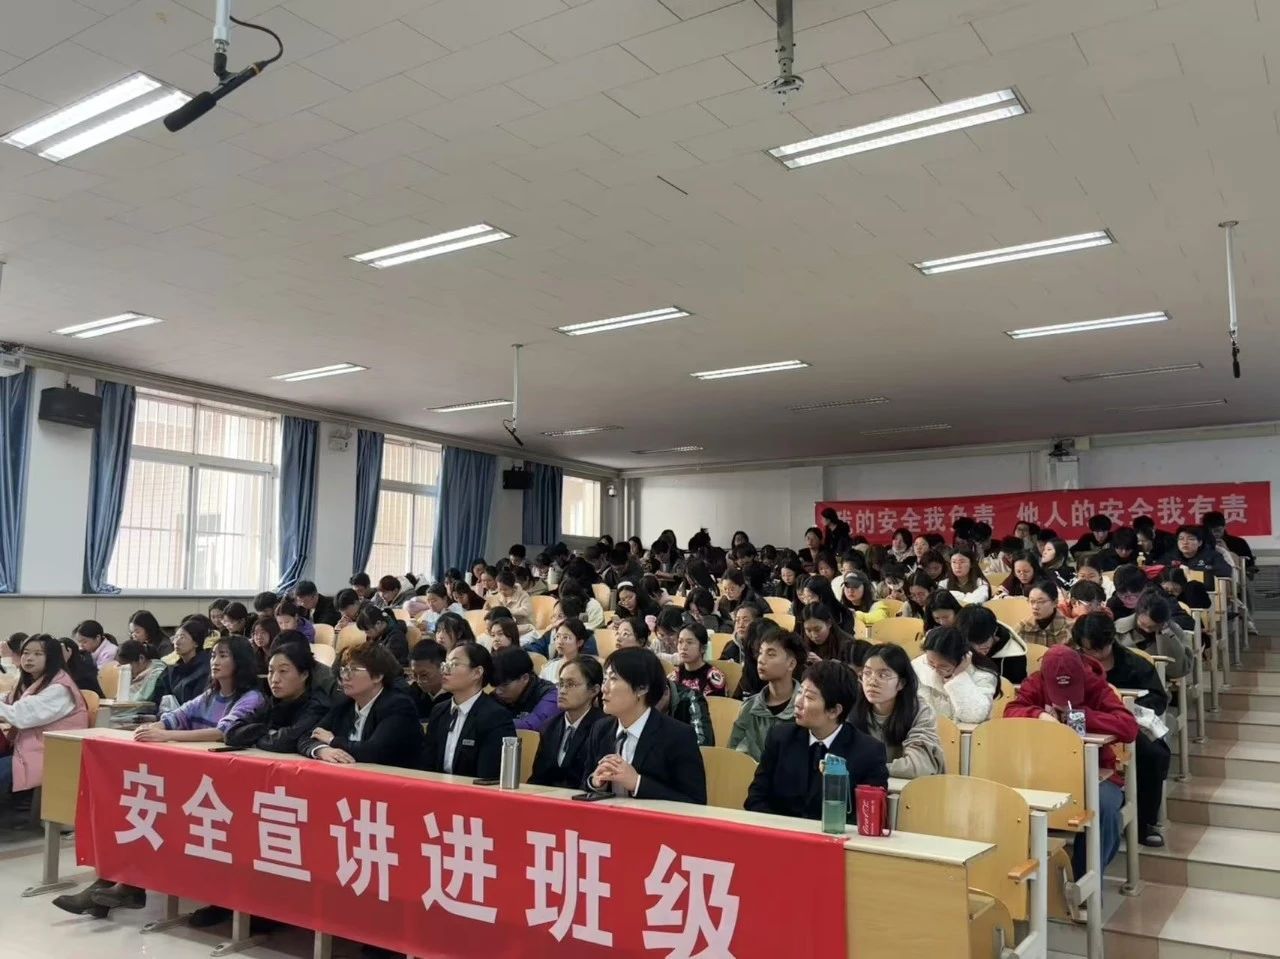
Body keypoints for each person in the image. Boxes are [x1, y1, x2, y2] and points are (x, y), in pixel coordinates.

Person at [1004, 644, 1138, 878]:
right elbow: (1010, 712)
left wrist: (1085, 716)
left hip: (1095, 773)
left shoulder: (1096, 685)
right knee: (1007, 800)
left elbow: (1128, 727)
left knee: (1105, 808)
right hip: (1043, 771)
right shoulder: (1035, 683)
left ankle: (1086, 882)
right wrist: (1038, 715)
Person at [1072, 613, 1171, 847]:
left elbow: (1158, 699)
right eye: (1088, 650)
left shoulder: (1134, 664)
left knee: (1154, 755)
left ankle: (1144, 821)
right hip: (1083, 724)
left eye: (1100, 649)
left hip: (1122, 725)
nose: (1095, 655)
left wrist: (1128, 707)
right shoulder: (1073, 663)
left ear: (1111, 640)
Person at [745, 659, 888, 821]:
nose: (797, 703)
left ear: (834, 711)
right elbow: (755, 798)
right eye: (800, 692)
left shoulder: (868, 752)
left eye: (809, 697)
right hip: (779, 832)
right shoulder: (780, 737)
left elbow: (870, 818)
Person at [583, 647, 707, 803]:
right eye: (604, 679)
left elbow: (695, 802)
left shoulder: (678, 736)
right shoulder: (601, 729)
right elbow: (584, 785)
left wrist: (638, 784)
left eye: (613, 679)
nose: (604, 688)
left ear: (642, 688)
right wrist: (596, 784)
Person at [133, 636, 266, 745]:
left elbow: (223, 732)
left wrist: (166, 735)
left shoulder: (252, 698)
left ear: (240, 661)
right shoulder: (210, 695)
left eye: (223, 656)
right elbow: (181, 714)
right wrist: (155, 727)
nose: (215, 662)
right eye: (213, 656)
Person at [1, 635, 90, 796]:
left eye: (38, 654)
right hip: (26, 748)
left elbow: (20, 715)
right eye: (26, 653)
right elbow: (8, 701)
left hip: (47, 755)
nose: (29, 658)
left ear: (52, 658)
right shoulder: (34, 681)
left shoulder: (60, 689)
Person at [850, 643, 944, 779]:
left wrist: (871, 768)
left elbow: (919, 766)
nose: (871, 682)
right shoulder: (851, 707)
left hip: (908, 790)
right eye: (867, 673)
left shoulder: (920, 711)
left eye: (883, 675)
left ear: (901, 683)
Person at [422, 643, 515, 779]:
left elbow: (488, 775)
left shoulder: (496, 716)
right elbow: (427, 765)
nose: (445, 670)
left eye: (454, 664)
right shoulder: (439, 711)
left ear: (477, 672)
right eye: (445, 664)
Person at [225, 641, 331, 753]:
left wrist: (255, 737)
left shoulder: (317, 705)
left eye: (283, 671)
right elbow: (231, 733)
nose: (274, 679)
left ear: (304, 674)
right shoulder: (273, 702)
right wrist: (268, 731)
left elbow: (286, 742)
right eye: (271, 671)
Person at [530, 657, 607, 788]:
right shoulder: (549, 726)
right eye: (560, 684)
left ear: (594, 690)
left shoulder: (604, 727)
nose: (562, 690)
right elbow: (538, 778)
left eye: (571, 684)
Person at [728, 627, 804, 761]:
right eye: (761, 653)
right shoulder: (749, 707)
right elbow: (734, 756)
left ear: (791, 664)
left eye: (771, 654)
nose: (761, 660)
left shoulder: (805, 708)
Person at [913, 626, 999, 723]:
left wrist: (958, 676)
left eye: (943, 666)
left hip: (968, 731)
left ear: (962, 659)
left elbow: (975, 716)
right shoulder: (918, 667)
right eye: (931, 662)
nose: (936, 669)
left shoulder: (983, 674)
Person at [1114, 590, 1191, 680]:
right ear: (1137, 614)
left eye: (1153, 627)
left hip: (1158, 680)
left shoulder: (1173, 631)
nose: (1147, 630)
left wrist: (1164, 634)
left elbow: (1178, 670)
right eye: (1143, 624)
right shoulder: (1119, 628)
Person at [671, 623, 726, 746]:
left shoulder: (714, 677)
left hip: (704, 732)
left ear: (703, 648)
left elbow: (715, 713)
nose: (683, 647)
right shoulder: (674, 676)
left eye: (689, 642)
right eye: (680, 642)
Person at [491, 647, 561, 733]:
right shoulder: (496, 697)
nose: (498, 692)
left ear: (525, 678)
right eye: (495, 686)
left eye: (504, 685)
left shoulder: (550, 695)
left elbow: (534, 725)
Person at [956, 604, 1027, 683]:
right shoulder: (958, 643)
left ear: (994, 631)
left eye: (984, 640)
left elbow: (1016, 688)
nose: (979, 647)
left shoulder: (1014, 656)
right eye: (973, 642)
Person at [149, 619, 211, 706]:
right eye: (176, 637)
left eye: (182, 637)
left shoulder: (205, 670)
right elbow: (158, 697)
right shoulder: (172, 670)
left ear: (196, 643)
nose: (177, 642)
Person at [1158, 523, 1233, 587]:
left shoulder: (1212, 556)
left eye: (1190, 539)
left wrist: (1193, 573)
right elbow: (1157, 569)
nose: (1185, 542)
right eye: (1181, 539)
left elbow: (1225, 571)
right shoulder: (1170, 556)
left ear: (1200, 543)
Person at [800, 602, 866, 666]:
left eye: (817, 629)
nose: (814, 635)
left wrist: (823, 664)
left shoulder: (848, 644)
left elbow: (852, 671)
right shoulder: (803, 642)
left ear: (829, 623)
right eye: (808, 630)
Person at [1018, 580, 1072, 647]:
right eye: (1032, 601)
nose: (1035, 607)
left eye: (1041, 601)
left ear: (1055, 602)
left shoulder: (1070, 629)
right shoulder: (1022, 628)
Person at [540, 618, 592, 685]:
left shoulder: (588, 669)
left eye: (565, 637)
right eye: (557, 636)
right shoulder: (549, 668)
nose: (559, 642)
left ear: (579, 642)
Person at [408, 639, 449, 719]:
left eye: (424, 675)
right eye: (415, 675)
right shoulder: (412, 693)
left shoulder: (456, 696)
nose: (419, 681)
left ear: (442, 668)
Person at [484, 569, 535, 634]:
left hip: (523, 626)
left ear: (513, 587)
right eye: (500, 589)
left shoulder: (523, 595)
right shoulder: (498, 596)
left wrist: (507, 611)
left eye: (505, 589)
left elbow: (526, 611)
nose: (502, 592)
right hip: (506, 627)